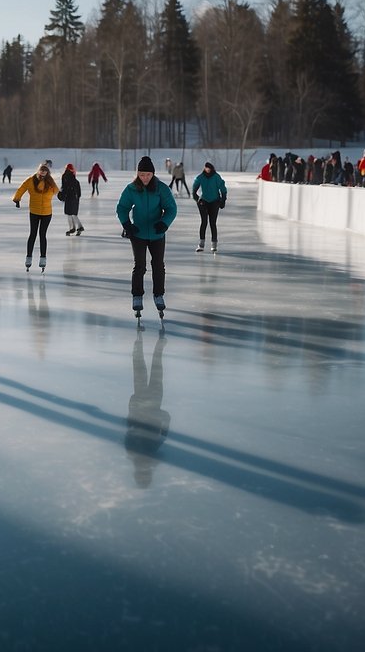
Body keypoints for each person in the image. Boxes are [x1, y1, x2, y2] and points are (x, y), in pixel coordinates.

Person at [116, 155, 177, 317]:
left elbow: (171, 208)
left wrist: (164, 223)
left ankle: (159, 294)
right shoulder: (131, 189)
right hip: (138, 233)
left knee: (158, 265)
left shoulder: (161, 188)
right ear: (137, 174)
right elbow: (122, 207)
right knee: (140, 265)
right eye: (142, 174)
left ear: (153, 174)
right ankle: (137, 295)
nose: (145, 178)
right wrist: (127, 225)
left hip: (157, 233)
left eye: (148, 175)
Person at [125, 333, 169, 489]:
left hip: (148, 402)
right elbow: (129, 425)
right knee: (142, 370)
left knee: (151, 371)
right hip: (145, 402)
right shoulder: (150, 453)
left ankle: (152, 345)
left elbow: (130, 426)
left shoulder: (147, 453)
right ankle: (141, 344)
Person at [13, 162, 59, 271]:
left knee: (42, 235)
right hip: (34, 211)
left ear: (47, 172)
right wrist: (17, 199)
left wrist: (61, 195)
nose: (43, 173)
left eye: (45, 171)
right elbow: (22, 188)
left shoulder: (50, 181)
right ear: (38, 171)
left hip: (47, 213)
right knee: (33, 234)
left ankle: (43, 258)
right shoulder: (31, 180)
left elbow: (57, 191)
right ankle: (29, 256)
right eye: (41, 170)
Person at [191, 161, 227, 252]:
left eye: (209, 168)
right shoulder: (200, 177)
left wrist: (223, 200)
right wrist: (197, 199)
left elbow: (223, 188)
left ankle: (214, 244)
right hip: (204, 202)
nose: (207, 170)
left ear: (211, 169)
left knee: (212, 223)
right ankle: (201, 245)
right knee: (204, 222)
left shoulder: (216, 177)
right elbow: (194, 189)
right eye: (206, 168)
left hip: (214, 201)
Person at [58, 163, 83, 235]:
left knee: (69, 213)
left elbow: (64, 187)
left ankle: (73, 228)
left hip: (69, 197)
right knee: (73, 213)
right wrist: (77, 197)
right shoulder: (74, 178)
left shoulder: (65, 176)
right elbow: (79, 192)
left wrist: (61, 195)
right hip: (74, 198)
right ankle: (76, 227)